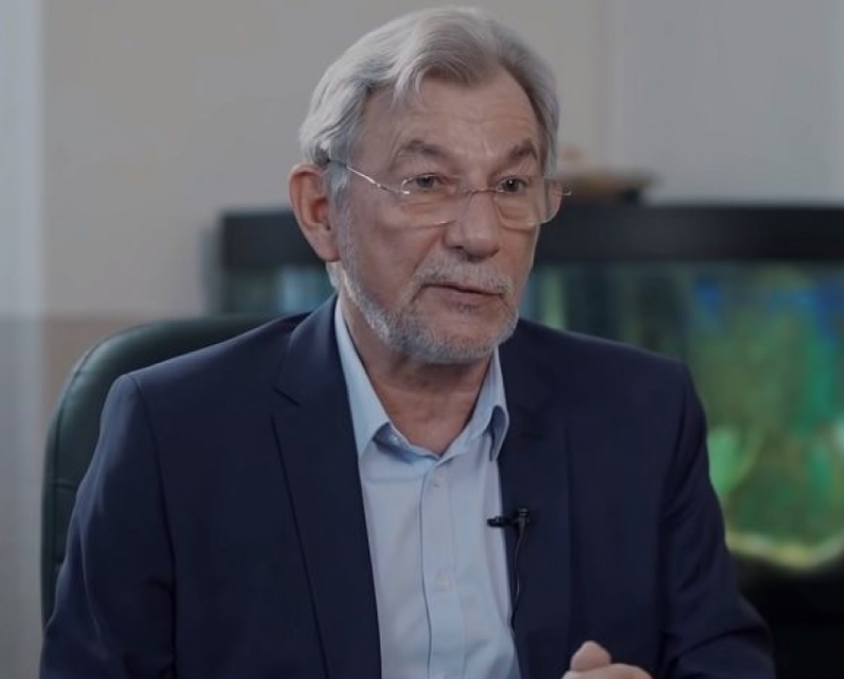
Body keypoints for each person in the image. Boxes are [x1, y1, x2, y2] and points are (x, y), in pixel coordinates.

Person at [40, 7, 774, 679]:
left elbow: (726, 662)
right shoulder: (175, 432)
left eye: (512, 186)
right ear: (321, 210)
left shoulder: (643, 414)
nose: (480, 236)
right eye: (427, 182)